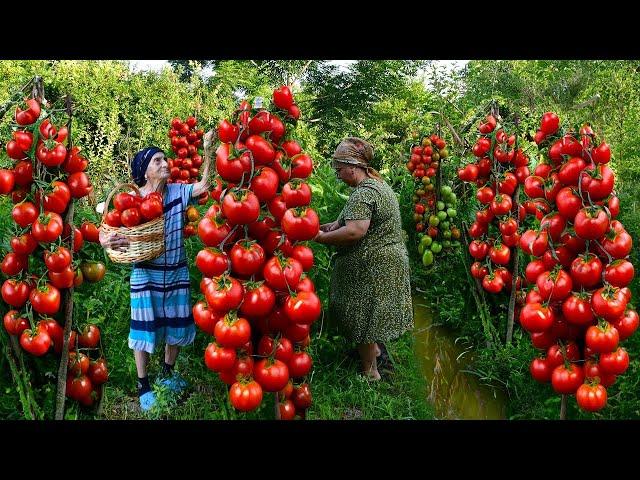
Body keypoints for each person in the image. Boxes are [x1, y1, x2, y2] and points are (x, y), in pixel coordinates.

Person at [98, 131, 216, 411]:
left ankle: (167, 372)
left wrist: (208, 150)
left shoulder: (178, 191)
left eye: (166, 159)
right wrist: (107, 239)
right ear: (144, 170)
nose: (166, 164)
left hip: (176, 270)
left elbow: (203, 186)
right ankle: (143, 384)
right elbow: (106, 227)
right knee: (144, 327)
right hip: (145, 272)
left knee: (175, 323)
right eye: (158, 161)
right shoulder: (131, 199)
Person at [313, 137, 413, 381]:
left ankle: (371, 373)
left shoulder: (364, 193)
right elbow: (342, 224)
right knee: (370, 314)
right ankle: (376, 353)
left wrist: (319, 238)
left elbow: (354, 231)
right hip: (384, 262)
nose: (337, 175)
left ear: (352, 166)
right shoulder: (375, 186)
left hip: (374, 265)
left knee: (362, 315)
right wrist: (320, 227)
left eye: (339, 169)